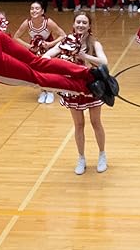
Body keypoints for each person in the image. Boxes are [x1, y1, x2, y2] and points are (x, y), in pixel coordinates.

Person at [44, 12, 110, 175]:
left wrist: (84, 56)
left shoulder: (94, 43)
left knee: (96, 122)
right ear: (74, 24)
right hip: (73, 88)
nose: (81, 25)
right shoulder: (66, 42)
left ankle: (102, 155)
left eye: (84, 23)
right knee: (79, 125)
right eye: (78, 22)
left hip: (91, 87)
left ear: (89, 26)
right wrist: (45, 61)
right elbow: (49, 54)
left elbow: (104, 62)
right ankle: (81, 158)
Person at [12, 1, 67, 104]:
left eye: (37, 8)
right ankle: (43, 91)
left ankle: (50, 91)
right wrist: (29, 46)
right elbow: (16, 37)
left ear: (42, 11)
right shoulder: (27, 23)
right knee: (38, 72)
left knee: (48, 71)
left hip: (49, 51)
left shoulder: (48, 22)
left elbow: (63, 35)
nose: (34, 11)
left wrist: (50, 44)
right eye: (32, 8)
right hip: (36, 51)